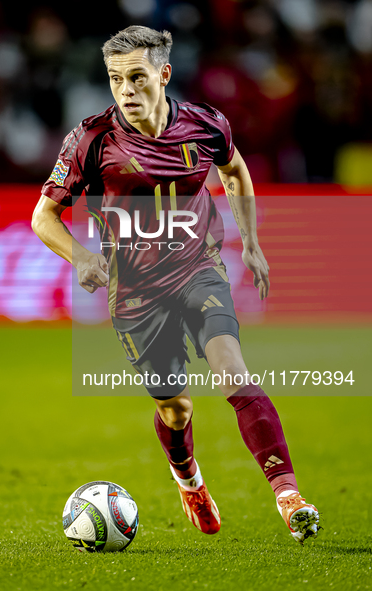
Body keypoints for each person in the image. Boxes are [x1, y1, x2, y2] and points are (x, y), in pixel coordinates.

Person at [31, 25, 319, 544]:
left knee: (233, 371)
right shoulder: (92, 140)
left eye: (137, 77)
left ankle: (288, 495)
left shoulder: (206, 125)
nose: (126, 90)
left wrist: (249, 241)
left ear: (163, 75)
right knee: (176, 407)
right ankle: (189, 479)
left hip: (197, 269)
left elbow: (235, 171)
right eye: (116, 79)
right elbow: (43, 216)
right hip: (136, 292)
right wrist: (82, 258)